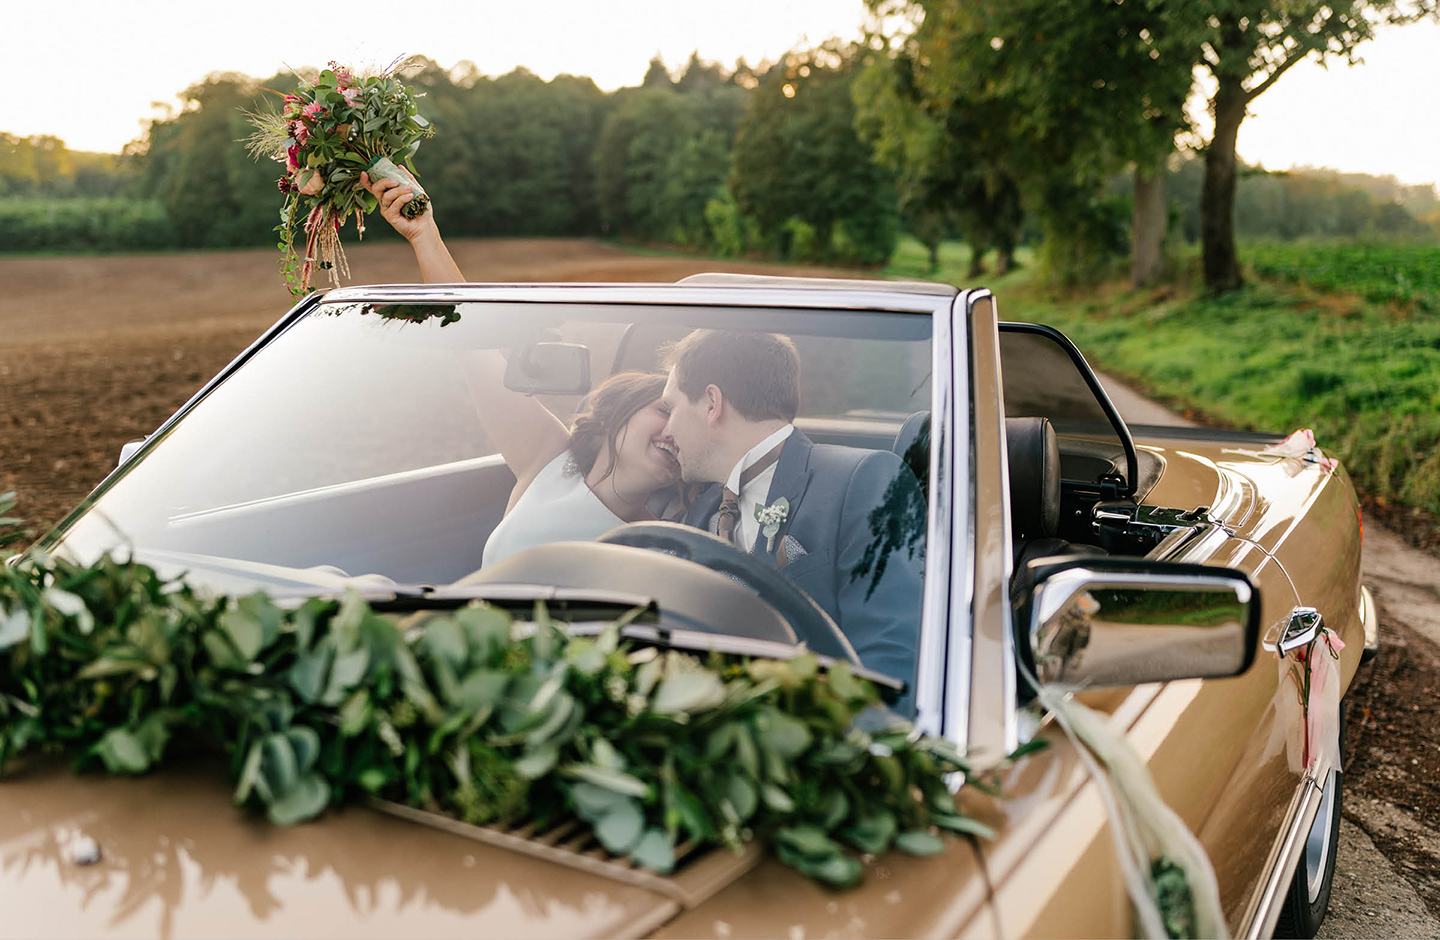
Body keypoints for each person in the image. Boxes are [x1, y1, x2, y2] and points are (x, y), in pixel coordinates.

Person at [361, 171, 681, 566]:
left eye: (687, 420)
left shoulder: (671, 548)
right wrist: (424, 232)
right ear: (625, 407)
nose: (674, 429)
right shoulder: (551, 458)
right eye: (665, 409)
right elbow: (468, 336)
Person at [658, 329, 924, 704]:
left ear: (712, 403)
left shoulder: (863, 478)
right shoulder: (701, 512)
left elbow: (891, 658)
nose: (666, 430)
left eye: (670, 409)